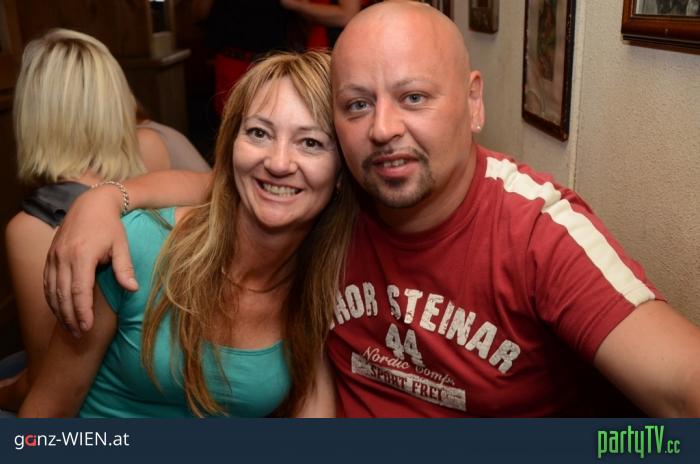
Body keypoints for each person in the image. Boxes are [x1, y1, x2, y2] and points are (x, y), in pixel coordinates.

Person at [41, 2, 700, 417]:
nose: (383, 129)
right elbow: (232, 184)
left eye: (413, 98)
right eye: (357, 105)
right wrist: (108, 197)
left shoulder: (536, 233)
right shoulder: (339, 209)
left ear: (473, 102)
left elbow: (680, 390)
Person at [19, 50, 355, 418]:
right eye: (258, 133)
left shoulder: (329, 279)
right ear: (231, 147)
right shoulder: (136, 248)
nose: (277, 163)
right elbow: (44, 417)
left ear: (342, 172)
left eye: (310, 143)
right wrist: (104, 196)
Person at [0, 29, 169, 413]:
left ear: (32, 114)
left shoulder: (29, 230)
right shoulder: (152, 153)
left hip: (106, 406)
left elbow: (46, 385)